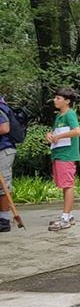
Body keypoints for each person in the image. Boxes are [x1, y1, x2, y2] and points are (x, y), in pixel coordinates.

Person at [45, 88, 80, 232]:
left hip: (67, 155)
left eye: (58, 98)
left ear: (67, 101)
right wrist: (49, 135)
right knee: (64, 185)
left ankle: (65, 218)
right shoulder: (59, 116)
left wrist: (59, 137)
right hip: (58, 154)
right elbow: (55, 133)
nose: (55, 100)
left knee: (68, 185)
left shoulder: (70, 114)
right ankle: (68, 215)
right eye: (55, 98)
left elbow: (77, 131)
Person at [0, 95, 17, 233]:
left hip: (4, 150)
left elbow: (5, 128)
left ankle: (4, 220)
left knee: (3, 185)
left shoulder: (0, 108)